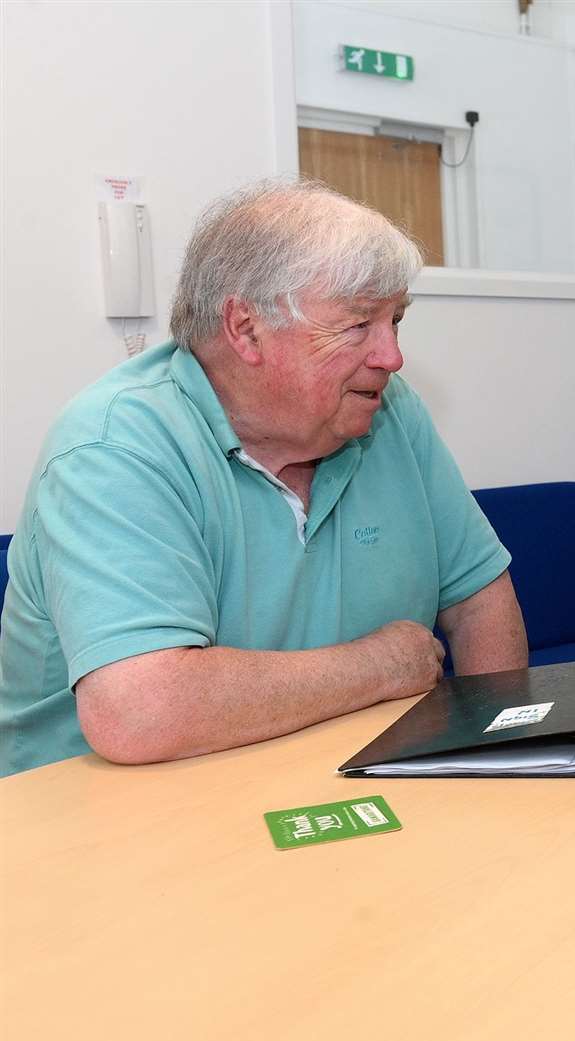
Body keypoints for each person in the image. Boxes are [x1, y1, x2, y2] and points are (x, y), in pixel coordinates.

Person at [0, 178, 528, 776]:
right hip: (94, 823)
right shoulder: (114, 445)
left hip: (312, 778)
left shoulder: (387, 408)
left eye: (396, 321)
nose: (391, 356)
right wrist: (381, 666)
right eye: (359, 325)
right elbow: (140, 711)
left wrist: (506, 754)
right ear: (246, 329)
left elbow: (478, 599)